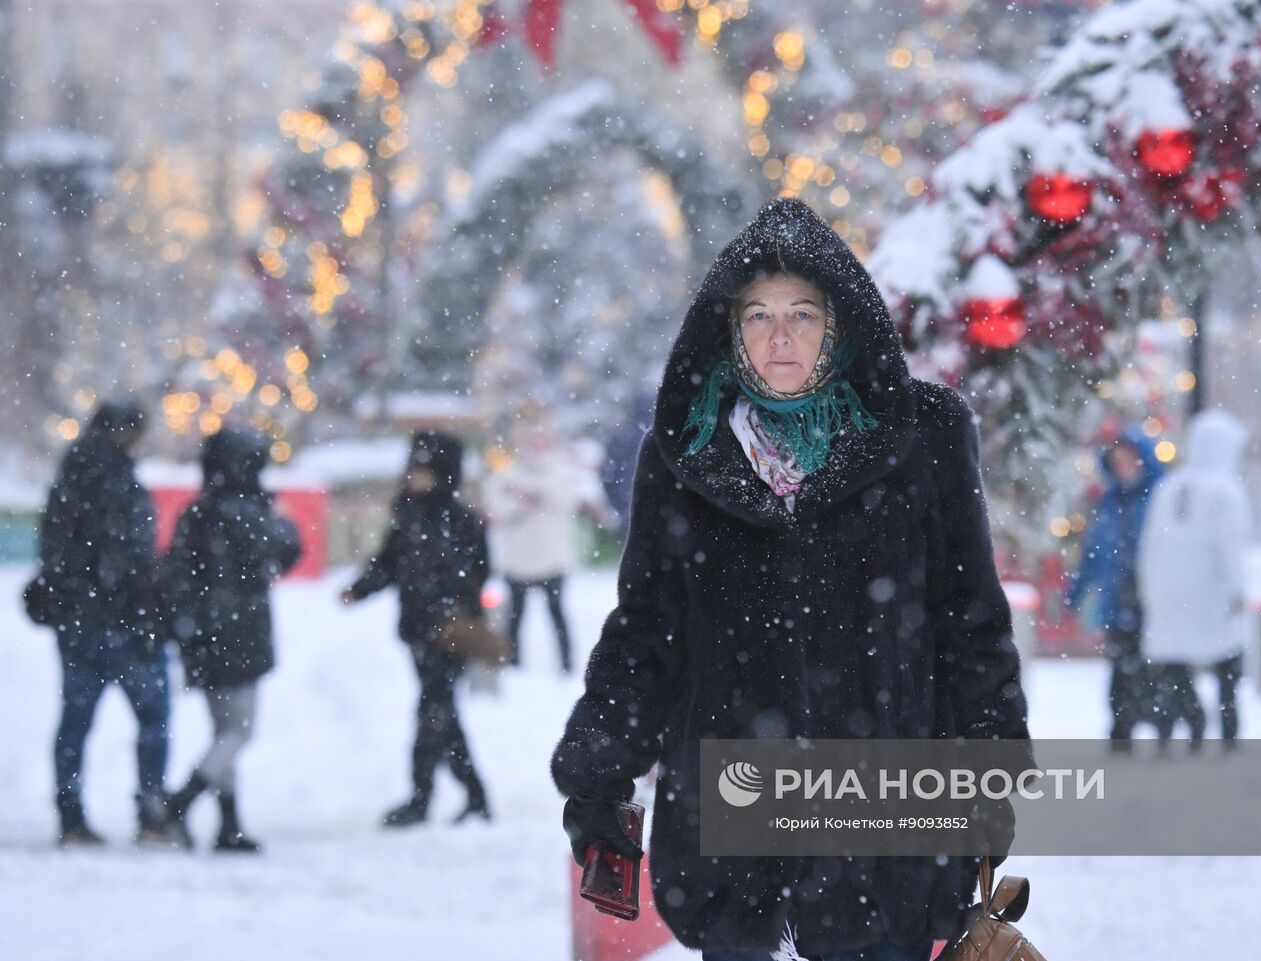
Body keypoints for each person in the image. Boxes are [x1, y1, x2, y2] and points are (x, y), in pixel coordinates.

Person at [549, 198, 1031, 961]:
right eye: (759, 316)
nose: (781, 336)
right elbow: (645, 634)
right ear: (729, 330)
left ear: (840, 325)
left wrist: (990, 772)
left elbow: (970, 622)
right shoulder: (687, 455)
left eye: (803, 314)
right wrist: (598, 775)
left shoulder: (924, 438)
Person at [35, 399, 173, 846]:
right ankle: (151, 813)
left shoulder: (69, 481)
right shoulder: (122, 485)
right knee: (153, 718)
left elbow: (54, 555)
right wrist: (147, 611)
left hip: (78, 623)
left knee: (75, 722)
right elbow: (134, 559)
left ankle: (70, 815)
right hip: (125, 623)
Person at [341, 431, 493, 827]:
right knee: (443, 715)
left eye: (425, 471)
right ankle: (474, 794)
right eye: (413, 469)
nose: (415, 477)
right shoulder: (409, 517)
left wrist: (448, 598)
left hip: (452, 633)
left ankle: (422, 797)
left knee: (432, 712)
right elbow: (388, 563)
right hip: (419, 632)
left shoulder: (462, 521)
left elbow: (478, 572)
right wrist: (360, 590)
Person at [162, 426, 302, 852]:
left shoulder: (197, 513)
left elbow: (176, 576)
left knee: (224, 730)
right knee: (238, 732)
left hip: (202, 636)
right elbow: (284, 552)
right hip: (241, 635)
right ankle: (181, 802)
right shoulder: (252, 514)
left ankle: (229, 824)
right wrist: (282, 521)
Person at [1138, 410, 1251, 750]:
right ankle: (1228, 735)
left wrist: (1150, 591)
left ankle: (1186, 724)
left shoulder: (1168, 485)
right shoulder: (1227, 490)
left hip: (1168, 593)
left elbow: (1149, 544)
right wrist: (1238, 590)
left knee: (1175, 667)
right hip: (1211, 593)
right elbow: (1232, 546)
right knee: (1227, 668)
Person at [1065, 430, 1164, 749]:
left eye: (1128, 459)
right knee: (1121, 671)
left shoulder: (1160, 498)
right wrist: (1074, 595)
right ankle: (1121, 732)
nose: (1123, 467)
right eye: (1117, 461)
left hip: (1154, 603)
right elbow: (1093, 555)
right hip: (1118, 603)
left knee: (1158, 672)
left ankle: (1161, 731)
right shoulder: (1108, 503)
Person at [482, 419, 587, 673]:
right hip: (518, 557)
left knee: (556, 613)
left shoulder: (561, 472)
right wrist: (520, 504)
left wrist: (533, 495)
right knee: (516, 615)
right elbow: (496, 504)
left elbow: (567, 501)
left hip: (552, 557)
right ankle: (513, 663)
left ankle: (566, 665)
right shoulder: (508, 473)